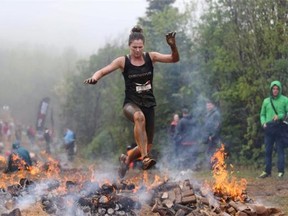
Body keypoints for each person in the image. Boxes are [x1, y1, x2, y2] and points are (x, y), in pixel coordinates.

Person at [84, 25, 179, 178]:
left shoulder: (151, 57)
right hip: (130, 104)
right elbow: (102, 71)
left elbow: (174, 59)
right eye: (134, 47)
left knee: (146, 146)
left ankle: (126, 159)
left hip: (149, 104)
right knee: (138, 117)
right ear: (129, 46)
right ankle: (145, 159)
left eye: (140, 47)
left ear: (144, 46)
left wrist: (173, 46)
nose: (137, 50)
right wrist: (94, 78)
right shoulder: (123, 61)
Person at [259, 80, 288, 178]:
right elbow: (262, 114)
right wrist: (263, 123)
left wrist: (280, 116)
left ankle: (281, 171)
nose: (275, 90)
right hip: (269, 127)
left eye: (277, 89)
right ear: (271, 89)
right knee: (268, 150)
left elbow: (287, 113)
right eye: (273, 89)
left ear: (279, 90)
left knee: (280, 150)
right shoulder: (266, 101)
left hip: (280, 127)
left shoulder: (285, 100)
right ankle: (267, 171)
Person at [202, 100, 221, 165]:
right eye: (207, 105)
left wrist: (212, 136)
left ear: (213, 105)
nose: (208, 106)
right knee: (209, 152)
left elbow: (217, 126)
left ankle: (216, 166)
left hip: (213, 137)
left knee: (212, 152)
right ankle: (213, 166)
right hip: (208, 136)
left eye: (209, 105)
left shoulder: (216, 114)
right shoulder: (208, 114)